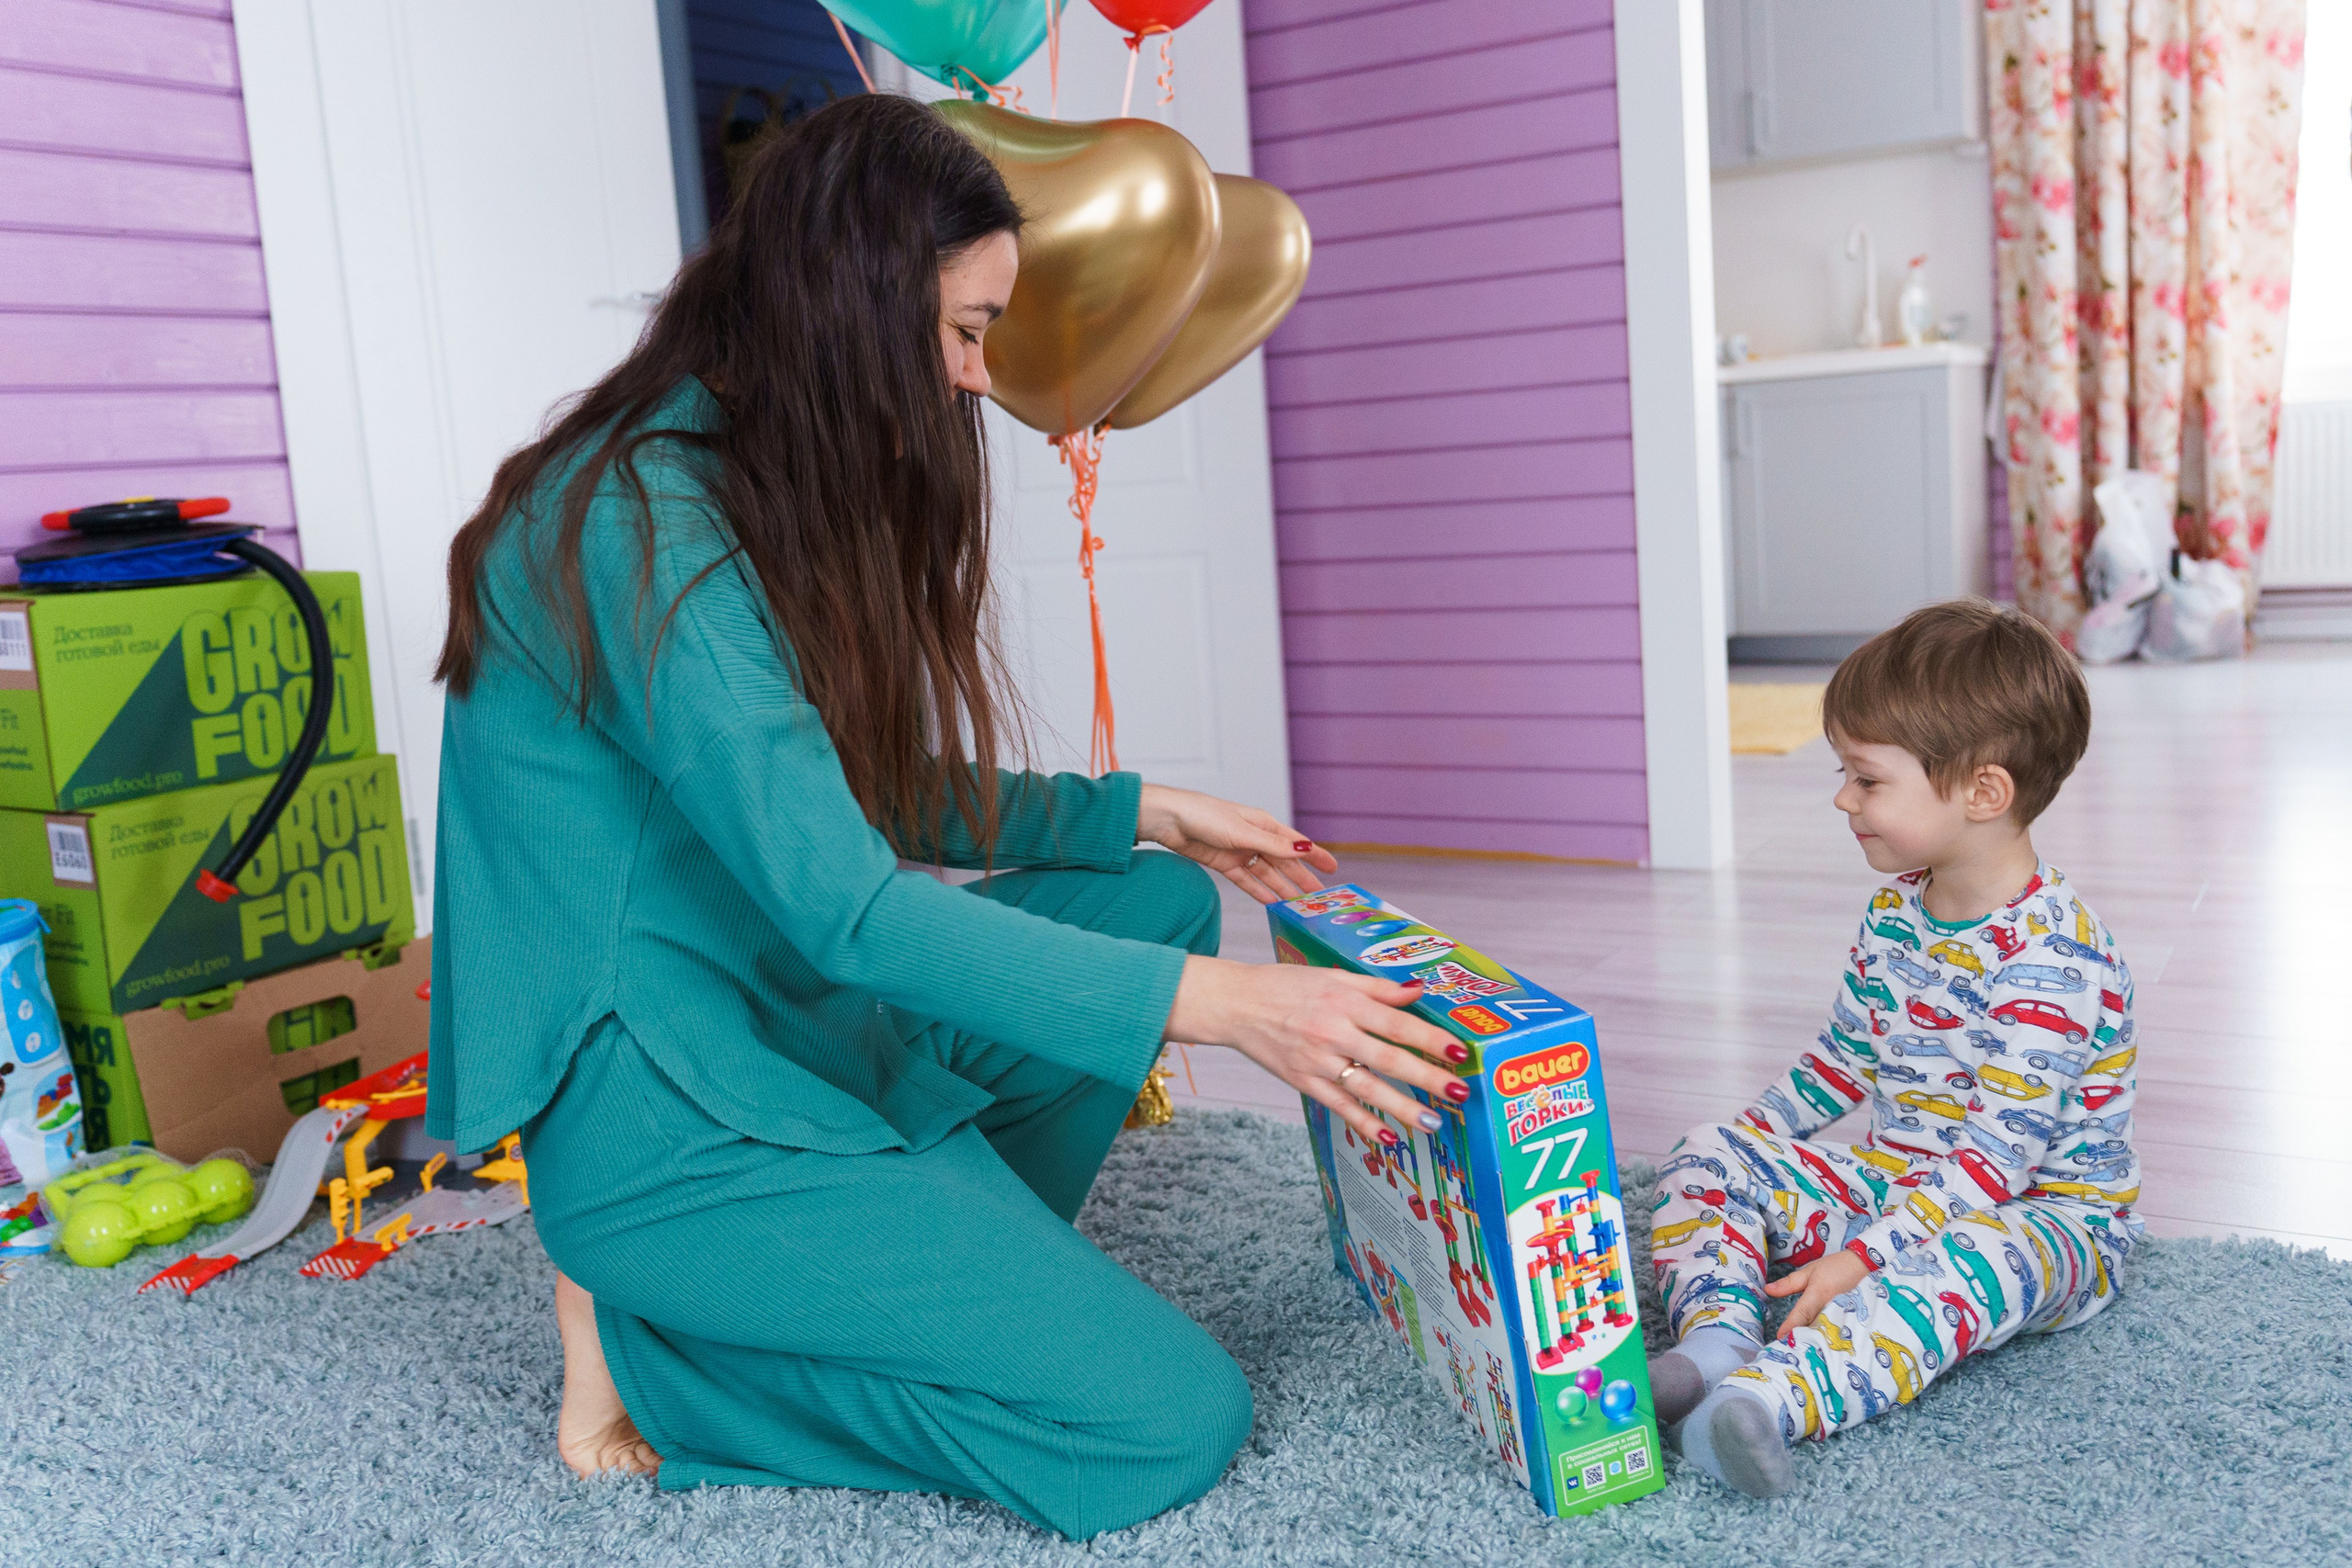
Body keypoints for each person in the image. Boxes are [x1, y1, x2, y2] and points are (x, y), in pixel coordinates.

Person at [424, 94, 1464, 1540]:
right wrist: (1235, 1009)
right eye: (967, 331)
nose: (979, 380)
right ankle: (672, 1360)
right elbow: (846, 903)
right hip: (673, 1103)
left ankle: (906, 1265)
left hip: (776, 1009)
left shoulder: (734, 464)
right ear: (851, 306)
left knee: (1149, 896)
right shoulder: (639, 519)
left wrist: (1138, 807)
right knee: (1161, 1419)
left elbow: (834, 781)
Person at [1645, 600, 2141, 1497]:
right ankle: (1716, 1341)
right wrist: (1750, 1154)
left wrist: (1861, 1258)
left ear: (1982, 793)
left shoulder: (2055, 962)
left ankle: (1766, 1401)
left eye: (1867, 780)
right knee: (1704, 1147)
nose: (1842, 797)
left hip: (2046, 1219)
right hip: (1902, 1180)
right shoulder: (1892, 916)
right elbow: (1840, 1060)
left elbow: (1996, 1163)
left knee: (1961, 1263)